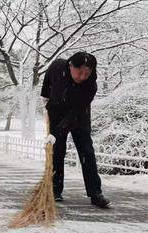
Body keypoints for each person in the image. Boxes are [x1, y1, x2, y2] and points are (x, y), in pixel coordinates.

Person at [40, 51, 110, 208]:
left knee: (87, 152)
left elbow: (77, 111)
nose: (82, 77)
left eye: (87, 73)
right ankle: (55, 190)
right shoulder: (58, 66)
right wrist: (45, 96)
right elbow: (47, 80)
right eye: (79, 72)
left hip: (79, 116)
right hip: (56, 112)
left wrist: (58, 131)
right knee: (57, 150)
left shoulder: (90, 85)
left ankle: (95, 193)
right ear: (71, 66)